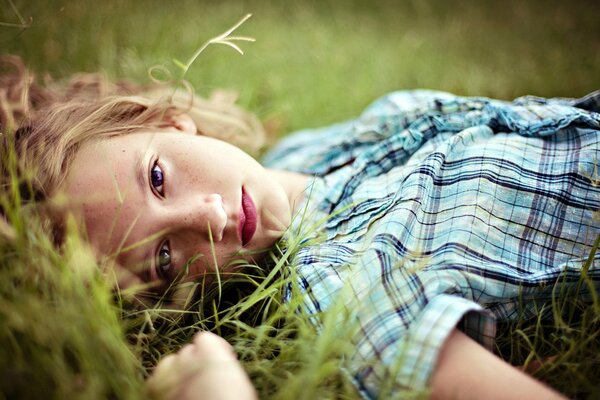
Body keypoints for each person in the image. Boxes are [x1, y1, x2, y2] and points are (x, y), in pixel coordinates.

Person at [2, 54, 599, 399]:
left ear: (168, 120)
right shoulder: (339, 296)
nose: (208, 219)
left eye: (158, 179)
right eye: (163, 259)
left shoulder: (305, 151)